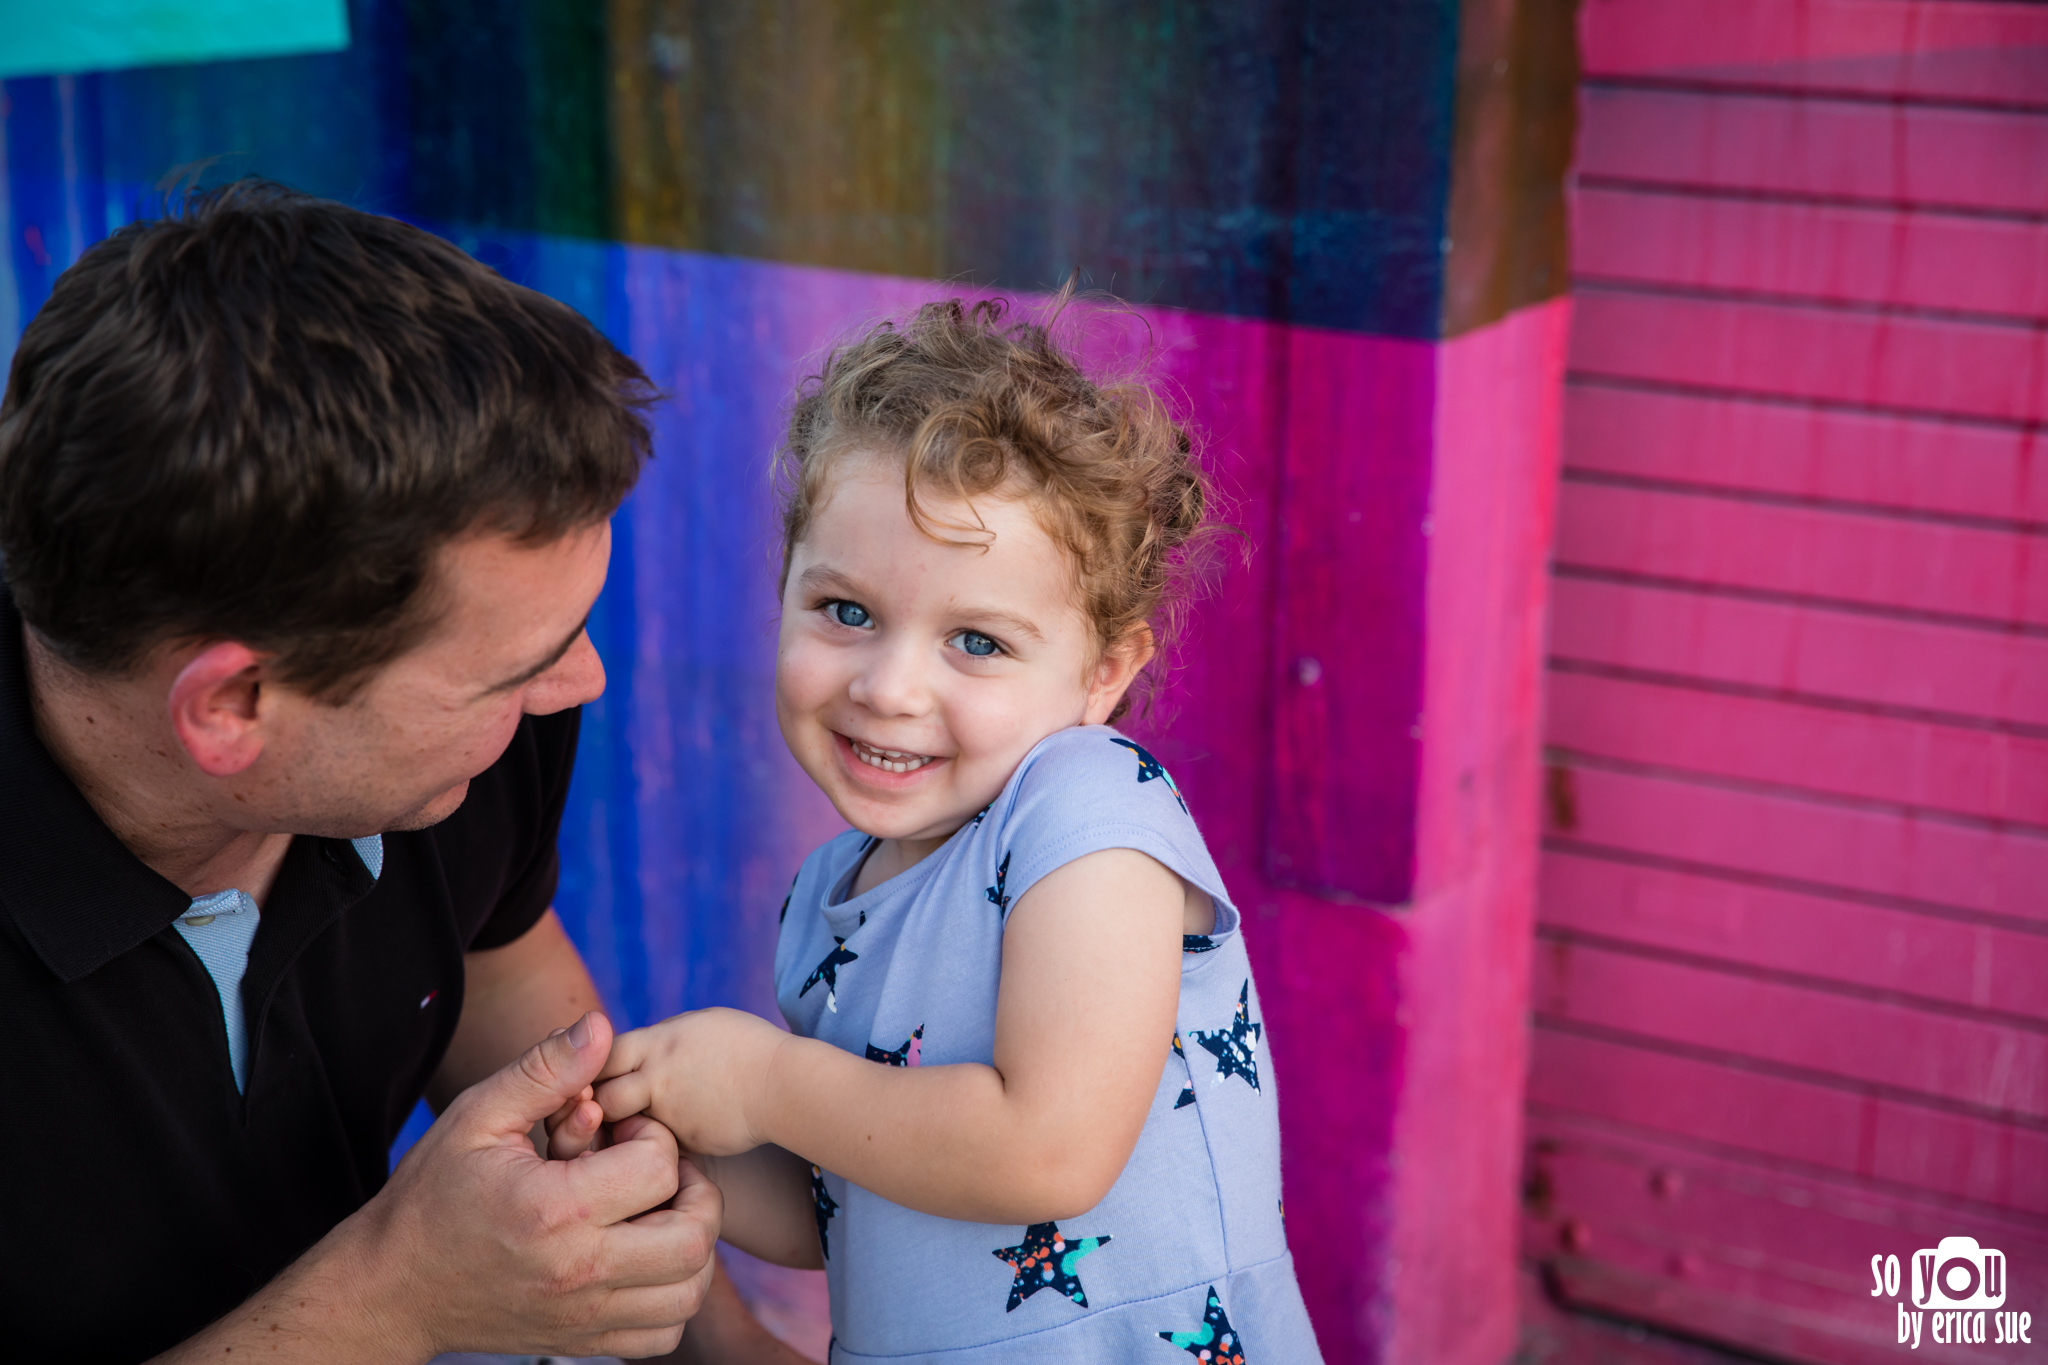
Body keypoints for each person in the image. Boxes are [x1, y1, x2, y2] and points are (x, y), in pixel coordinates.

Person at [0, 181, 806, 1364]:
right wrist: (396, 1298)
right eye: (512, 670)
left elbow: (488, 965)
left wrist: (721, 1353)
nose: (577, 684)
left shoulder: (472, 745)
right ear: (233, 707)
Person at [555, 299, 1322, 1361]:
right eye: (846, 612)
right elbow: (855, 1201)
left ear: (1102, 674)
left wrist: (762, 1081)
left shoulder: (1088, 811)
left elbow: (1043, 1153)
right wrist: (670, 1152)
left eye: (975, 640)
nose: (889, 687)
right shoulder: (831, 892)